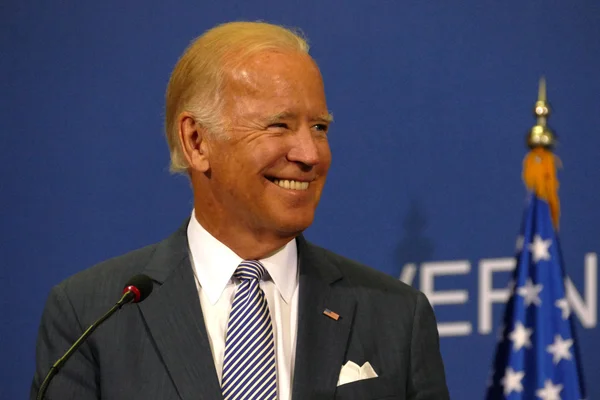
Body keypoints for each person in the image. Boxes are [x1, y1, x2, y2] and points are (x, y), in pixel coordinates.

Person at [31, 21, 450, 400]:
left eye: (319, 127)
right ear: (197, 141)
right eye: (278, 125)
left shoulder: (397, 316)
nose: (309, 154)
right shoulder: (92, 315)